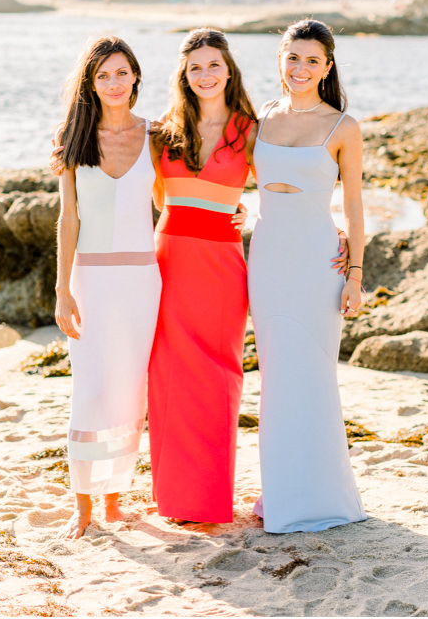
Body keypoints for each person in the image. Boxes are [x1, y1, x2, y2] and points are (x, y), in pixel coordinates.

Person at [248, 19, 367, 533]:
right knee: (275, 376)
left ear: (328, 66)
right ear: (280, 59)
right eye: (292, 57)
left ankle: (319, 498)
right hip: (267, 258)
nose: (300, 68)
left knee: (313, 376)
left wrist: (356, 273)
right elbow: (244, 186)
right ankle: (280, 492)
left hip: (320, 263)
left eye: (312, 60)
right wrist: (238, 215)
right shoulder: (259, 117)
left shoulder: (343, 127)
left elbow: (357, 207)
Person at [52, 36, 162, 539]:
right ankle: (83, 506)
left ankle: (115, 498)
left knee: (127, 390)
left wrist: (236, 211)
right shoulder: (74, 138)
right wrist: (62, 290)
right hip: (90, 279)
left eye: (121, 73)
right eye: (103, 76)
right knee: (91, 389)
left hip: (143, 280)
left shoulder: (158, 136)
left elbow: (180, 199)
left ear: (136, 77)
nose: (114, 83)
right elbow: (68, 218)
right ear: (90, 84)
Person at [146, 28, 256, 525]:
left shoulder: (251, 130)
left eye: (213, 65)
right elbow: (150, 197)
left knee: (219, 378)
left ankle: (211, 500)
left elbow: (287, 186)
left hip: (222, 267)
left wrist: (250, 211)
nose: (205, 74)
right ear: (183, 76)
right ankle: (175, 499)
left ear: (228, 70)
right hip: (168, 262)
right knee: (168, 376)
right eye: (195, 68)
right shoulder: (162, 131)